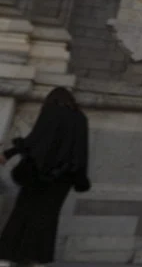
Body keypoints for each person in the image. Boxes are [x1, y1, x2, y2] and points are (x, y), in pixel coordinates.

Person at [0, 87, 91, 267]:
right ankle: (36, 260)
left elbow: (36, 140)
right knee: (47, 220)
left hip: (40, 176)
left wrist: (9, 153)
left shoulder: (52, 112)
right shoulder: (81, 119)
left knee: (23, 215)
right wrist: (78, 178)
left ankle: (7, 257)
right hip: (63, 180)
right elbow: (81, 153)